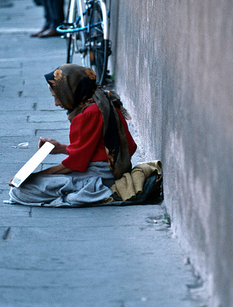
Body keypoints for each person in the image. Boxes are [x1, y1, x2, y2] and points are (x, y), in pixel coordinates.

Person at [8, 64, 138, 207]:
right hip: (112, 171)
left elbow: (74, 163)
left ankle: (80, 196)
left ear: (70, 91)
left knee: (20, 191)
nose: (56, 103)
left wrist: (35, 176)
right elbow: (98, 149)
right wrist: (61, 148)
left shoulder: (89, 114)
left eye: (58, 97)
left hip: (101, 177)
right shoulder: (103, 100)